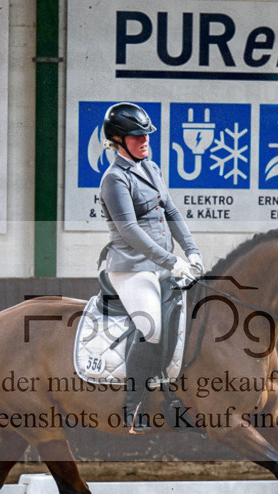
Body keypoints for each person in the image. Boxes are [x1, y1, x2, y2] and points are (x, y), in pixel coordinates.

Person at [99, 102, 203, 433]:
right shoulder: (114, 180)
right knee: (150, 326)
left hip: (161, 265)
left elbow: (171, 213)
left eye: (146, 135)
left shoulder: (152, 168)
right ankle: (133, 407)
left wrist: (192, 251)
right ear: (117, 140)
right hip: (130, 267)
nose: (144, 141)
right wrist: (173, 261)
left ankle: (171, 396)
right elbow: (130, 231)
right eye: (135, 136)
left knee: (182, 319)